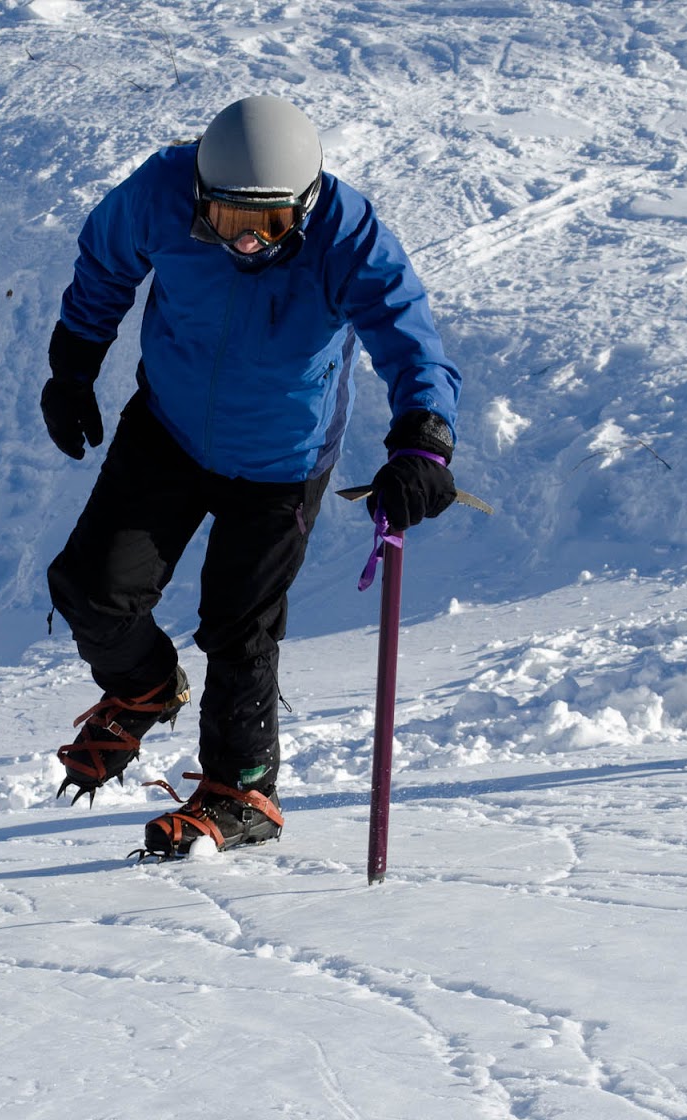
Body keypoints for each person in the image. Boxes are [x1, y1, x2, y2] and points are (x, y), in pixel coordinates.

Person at [41, 95, 461, 860]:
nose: (245, 241)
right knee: (90, 588)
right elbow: (105, 261)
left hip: (280, 462)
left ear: (305, 205)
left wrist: (424, 441)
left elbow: (410, 335)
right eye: (227, 219)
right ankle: (143, 685)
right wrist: (74, 359)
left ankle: (243, 793)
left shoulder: (347, 234)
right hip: (169, 428)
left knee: (238, 625)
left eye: (268, 224)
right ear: (200, 192)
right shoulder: (161, 192)